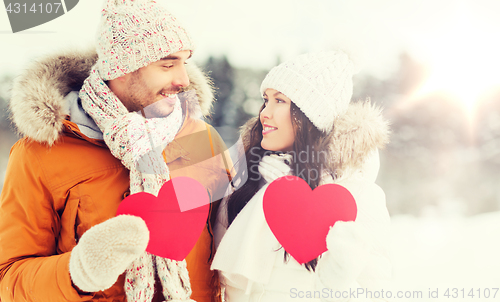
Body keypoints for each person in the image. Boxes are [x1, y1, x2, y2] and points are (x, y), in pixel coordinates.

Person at [0, 0, 231, 301]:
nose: (183, 80)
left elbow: (238, 251)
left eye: (184, 62)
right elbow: (9, 280)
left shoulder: (203, 139)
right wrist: (78, 272)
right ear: (122, 69)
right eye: (167, 64)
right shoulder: (40, 154)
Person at [211, 51, 392, 301]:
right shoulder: (246, 182)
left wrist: (336, 284)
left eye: (280, 101)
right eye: (266, 99)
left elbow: (376, 291)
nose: (264, 112)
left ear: (312, 115)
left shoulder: (356, 195)